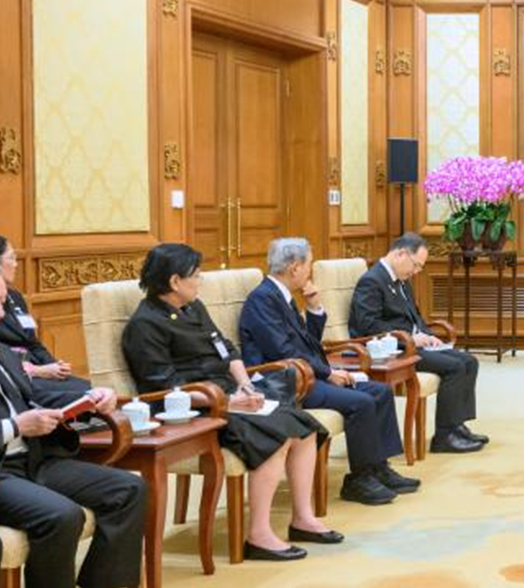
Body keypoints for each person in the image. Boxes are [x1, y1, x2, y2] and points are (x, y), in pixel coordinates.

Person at [122, 243, 337, 561]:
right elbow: (164, 387)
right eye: (196, 275)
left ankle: (302, 518)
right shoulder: (145, 324)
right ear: (175, 281)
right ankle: (259, 535)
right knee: (275, 435)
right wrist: (226, 402)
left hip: (227, 393)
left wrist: (245, 386)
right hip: (192, 409)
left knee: (304, 428)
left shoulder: (193, 307)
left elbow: (226, 349)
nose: (201, 281)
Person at [0, 342, 149, 588]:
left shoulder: (4, 352)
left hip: (33, 459)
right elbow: (19, 418)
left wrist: (89, 397)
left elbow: (35, 395)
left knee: (127, 490)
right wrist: (16, 427)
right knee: (61, 515)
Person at [238, 238, 417, 506]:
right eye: (309, 265)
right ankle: (359, 480)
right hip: (287, 382)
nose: (310, 271)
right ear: (295, 267)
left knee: (380, 392)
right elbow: (283, 351)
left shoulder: (281, 296)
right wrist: (327, 373)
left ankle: (378, 468)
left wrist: (313, 308)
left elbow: (307, 344)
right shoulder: (263, 299)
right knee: (361, 402)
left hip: (306, 373)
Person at [350, 233, 486, 454]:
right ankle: (444, 436)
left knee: (469, 361)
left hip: (411, 345)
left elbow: (415, 317)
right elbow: (368, 326)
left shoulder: (401, 279)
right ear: (401, 254)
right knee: (454, 367)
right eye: (416, 265)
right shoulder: (372, 281)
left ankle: (457, 426)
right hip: (392, 351)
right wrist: (411, 338)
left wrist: (427, 335)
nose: (416, 271)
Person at [0, 235, 91, 398]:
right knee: (84, 396)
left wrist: (55, 366)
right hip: (17, 379)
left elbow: (32, 342)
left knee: (93, 389)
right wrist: (39, 371)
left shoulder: (15, 297)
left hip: (39, 369)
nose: (16, 264)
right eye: (11, 258)